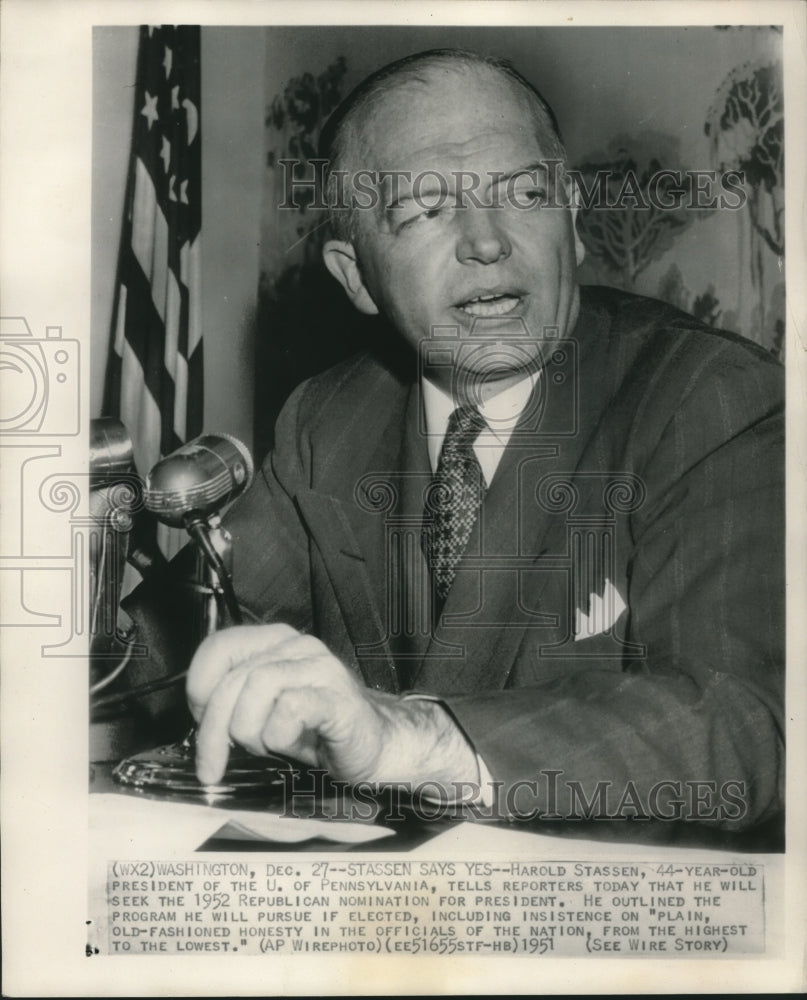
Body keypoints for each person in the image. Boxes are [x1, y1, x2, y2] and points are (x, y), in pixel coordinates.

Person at [129, 49, 784, 837]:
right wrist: (76, 585)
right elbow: (172, 645)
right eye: (423, 212)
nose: (484, 241)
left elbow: (747, 719)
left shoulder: (707, 398)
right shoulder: (331, 418)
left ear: (572, 220)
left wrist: (411, 738)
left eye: (524, 194)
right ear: (356, 276)